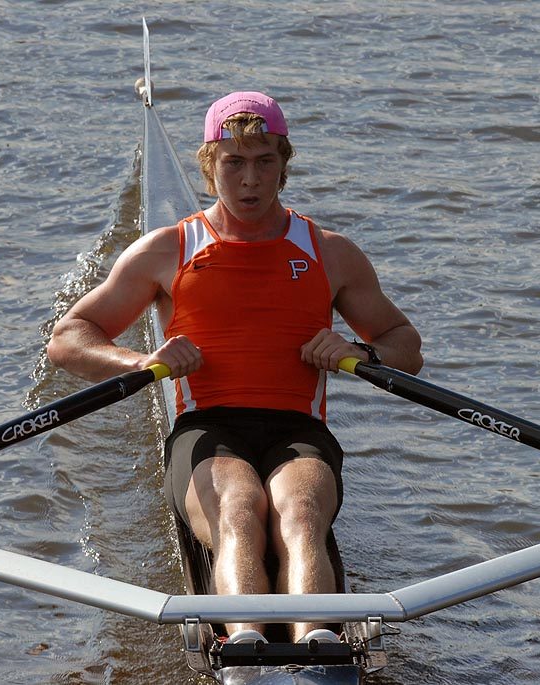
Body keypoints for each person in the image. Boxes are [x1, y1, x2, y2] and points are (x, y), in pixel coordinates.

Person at [47, 91, 423, 643]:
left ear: (284, 165)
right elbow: (68, 338)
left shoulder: (331, 252)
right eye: (234, 162)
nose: (250, 179)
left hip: (300, 433)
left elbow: (405, 345)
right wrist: (141, 359)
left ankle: (316, 648)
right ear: (209, 166)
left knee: (298, 513)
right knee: (241, 511)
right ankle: (246, 651)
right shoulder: (166, 250)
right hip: (206, 429)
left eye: (265, 161)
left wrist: (360, 353)